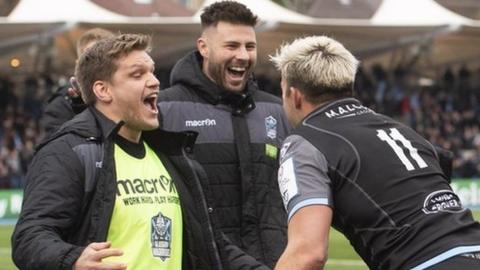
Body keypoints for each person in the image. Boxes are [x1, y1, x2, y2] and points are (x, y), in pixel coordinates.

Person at [12, 33, 265, 270]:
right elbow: (29, 237)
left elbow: (212, 244)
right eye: (137, 74)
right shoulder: (71, 151)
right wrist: (73, 259)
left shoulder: (173, 155)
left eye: (152, 72)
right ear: (103, 90)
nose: (154, 81)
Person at [270, 35, 480, 270]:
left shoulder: (304, 142)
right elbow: (440, 164)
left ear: (295, 95)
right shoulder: (399, 129)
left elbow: (308, 254)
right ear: (349, 85)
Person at [158, 1, 290, 267]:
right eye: (231, 46)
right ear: (203, 47)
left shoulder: (276, 110)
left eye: (249, 46)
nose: (242, 55)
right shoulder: (165, 109)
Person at [41, 28, 114, 137]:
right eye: (91, 57)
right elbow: (56, 146)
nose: (99, 63)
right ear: (78, 64)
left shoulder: (123, 94)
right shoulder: (62, 103)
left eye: (107, 56)